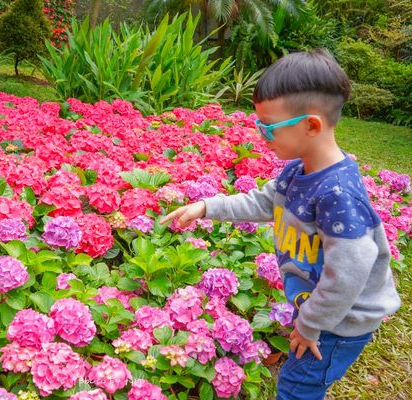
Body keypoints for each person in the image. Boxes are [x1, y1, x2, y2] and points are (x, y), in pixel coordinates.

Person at [160, 48, 401, 400]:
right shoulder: (299, 171)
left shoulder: (338, 194)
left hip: (342, 321)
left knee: (298, 386)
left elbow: (349, 272)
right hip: (323, 311)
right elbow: (262, 201)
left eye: (268, 127)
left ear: (311, 125)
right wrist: (206, 206)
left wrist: (310, 325)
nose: (262, 136)